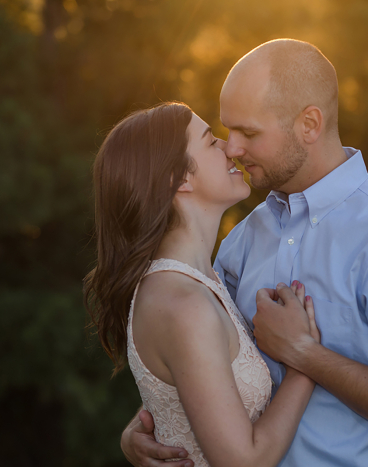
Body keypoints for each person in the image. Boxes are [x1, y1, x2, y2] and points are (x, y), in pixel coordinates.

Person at [121, 39, 368, 467]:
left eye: (249, 133)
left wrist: (306, 355)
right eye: (226, 130)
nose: (232, 148)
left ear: (309, 124)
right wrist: (149, 425)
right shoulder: (239, 242)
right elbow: (207, 368)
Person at [83, 101, 323, 467]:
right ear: (178, 179)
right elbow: (243, 462)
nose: (231, 148)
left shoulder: (203, 277)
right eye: (212, 141)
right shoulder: (183, 303)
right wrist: (304, 360)